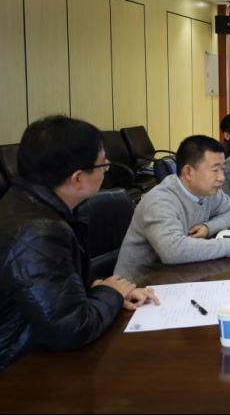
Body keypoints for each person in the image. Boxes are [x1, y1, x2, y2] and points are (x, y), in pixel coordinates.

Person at [0, 116, 158, 370]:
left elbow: (51, 283)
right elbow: (71, 328)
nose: (106, 170)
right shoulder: (38, 233)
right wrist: (111, 294)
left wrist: (104, 288)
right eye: (103, 164)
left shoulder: (25, 202)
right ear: (77, 178)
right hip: (19, 369)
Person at [115, 135, 230, 282]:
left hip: (181, 275)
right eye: (215, 170)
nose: (221, 177)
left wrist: (208, 227)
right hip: (139, 287)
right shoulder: (159, 200)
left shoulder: (208, 191)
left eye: (223, 169)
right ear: (188, 172)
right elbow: (173, 251)